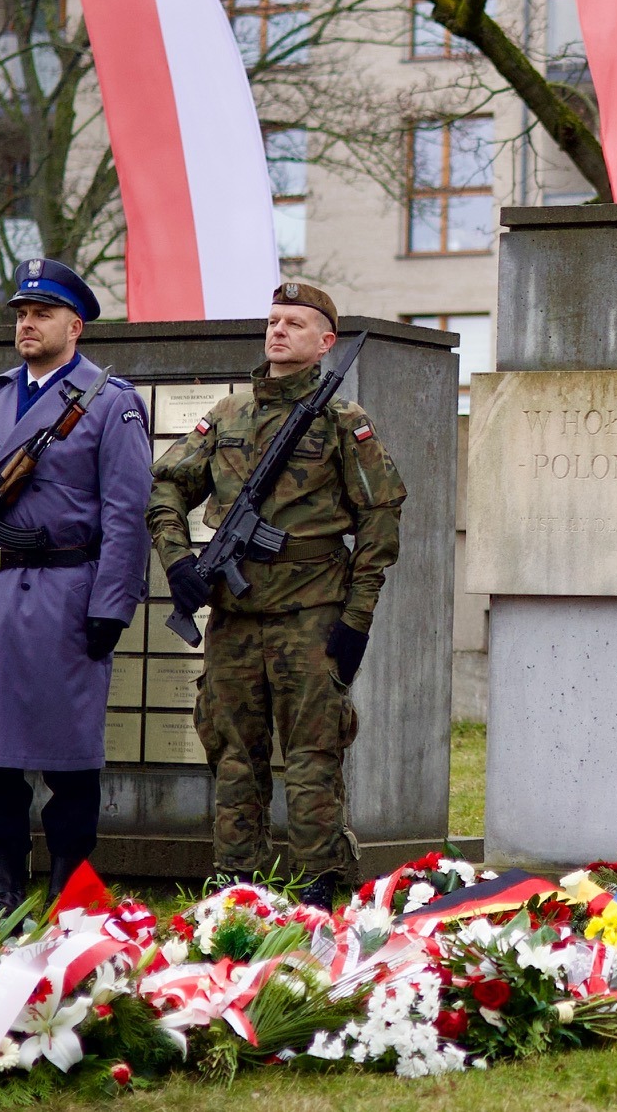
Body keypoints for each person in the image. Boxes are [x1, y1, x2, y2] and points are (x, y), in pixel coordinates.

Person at [148, 283, 406, 910]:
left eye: (295, 323)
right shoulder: (228, 413)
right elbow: (167, 486)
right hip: (234, 617)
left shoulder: (343, 421)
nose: (278, 331)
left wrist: (357, 618)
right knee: (232, 749)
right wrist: (177, 559)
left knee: (314, 750)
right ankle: (235, 879)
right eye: (273, 321)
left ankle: (318, 879)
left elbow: (379, 520)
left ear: (326, 342)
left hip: (310, 613)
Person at [0, 258, 152, 937]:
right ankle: (4, 899)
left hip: (64, 596)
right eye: (21, 313)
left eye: (42, 314)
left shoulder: (109, 402)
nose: (27, 324)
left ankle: (64, 904)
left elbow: (127, 513)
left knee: (68, 759)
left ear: (75, 326)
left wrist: (111, 606)